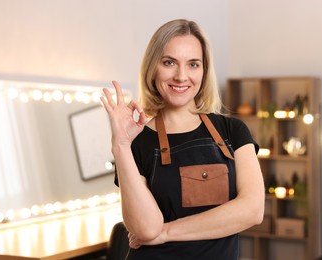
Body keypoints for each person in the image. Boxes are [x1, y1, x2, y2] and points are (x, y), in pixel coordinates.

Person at [101, 19, 265, 260]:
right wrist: (121, 145)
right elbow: (145, 229)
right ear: (152, 68)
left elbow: (252, 210)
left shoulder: (232, 132)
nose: (181, 76)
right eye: (169, 62)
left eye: (193, 64)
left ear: (204, 71)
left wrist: (166, 232)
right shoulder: (137, 142)